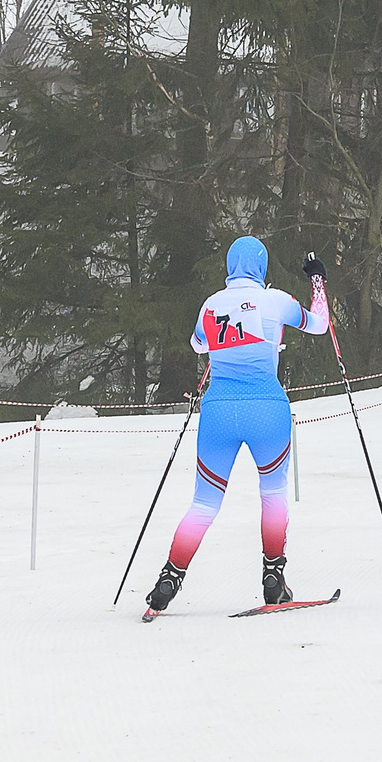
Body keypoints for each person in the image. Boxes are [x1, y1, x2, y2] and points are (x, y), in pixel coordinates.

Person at [143, 236, 332, 619]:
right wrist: (317, 281)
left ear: (230, 266)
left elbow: (198, 346)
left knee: (204, 503)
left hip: (219, 412)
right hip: (267, 409)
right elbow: (319, 324)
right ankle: (273, 576)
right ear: (261, 267)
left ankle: (169, 578)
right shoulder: (275, 300)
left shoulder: (211, 303)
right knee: (273, 493)